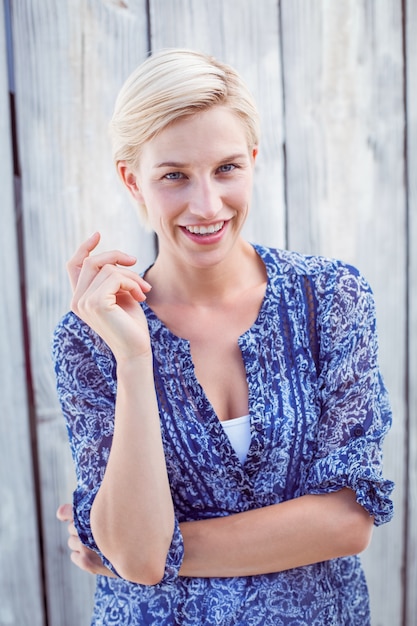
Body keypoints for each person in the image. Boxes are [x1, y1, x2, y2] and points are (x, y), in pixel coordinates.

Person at [53, 48, 394, 625]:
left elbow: (348, 521)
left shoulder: (329, 298)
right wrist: (135, 358)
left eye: (227, 168)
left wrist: (153, 551)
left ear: (254, 160)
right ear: (132, 180)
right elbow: (133, 553)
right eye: (174, 176)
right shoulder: (91, 336)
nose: (207, 204)